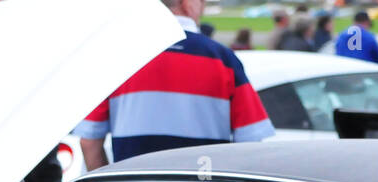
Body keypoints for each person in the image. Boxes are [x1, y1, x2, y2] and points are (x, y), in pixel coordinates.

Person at [76, 0, 273, 168]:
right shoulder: (223, 59)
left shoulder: (118, 59)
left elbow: (89, 142)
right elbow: (250, 143)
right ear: (187, 3)